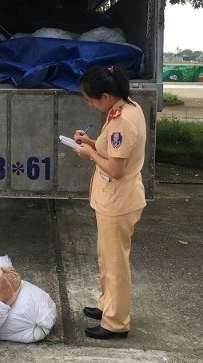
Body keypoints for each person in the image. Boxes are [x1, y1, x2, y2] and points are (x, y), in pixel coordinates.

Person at [73, 64, 146, 340]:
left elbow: (116, 170)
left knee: (115, 265)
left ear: (105, 96)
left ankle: (116, 323)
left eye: (91, 100)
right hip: (112, 199)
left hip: (118, 200)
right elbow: (112, 150)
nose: (90, 105)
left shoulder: (121, 122)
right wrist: (90, 142)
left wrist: (89, 154)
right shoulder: (127, 108)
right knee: (106, 258)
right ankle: (107, 305)